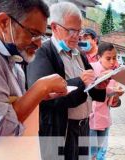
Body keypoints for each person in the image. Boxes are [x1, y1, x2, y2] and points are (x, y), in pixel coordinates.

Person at [26, 2, 108, 160]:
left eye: (79, 31)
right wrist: (80, 82)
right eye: (71, 30)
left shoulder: (79, 55)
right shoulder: (43, 53)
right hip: (60, 129)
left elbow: (88, 86)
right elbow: (44, 97)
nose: (77, 36)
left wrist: (98, 86)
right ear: (55, 27)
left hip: (83, 126)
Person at [0, 0, 68, 136]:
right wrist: (41, 87)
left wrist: (39, 95)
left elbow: (14, 106)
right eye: (33, 34)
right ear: (4, 22)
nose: (38, 44)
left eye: (41, 36)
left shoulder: (12, 57)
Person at [89, 43, 125, 160]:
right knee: (90, 151)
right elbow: (89, 92)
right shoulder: (91, 69)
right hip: (91, 119)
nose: (112, 62)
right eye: (108, 58)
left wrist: (116, 96)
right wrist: (110, 91)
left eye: (114, 58)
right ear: (99, 57)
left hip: (104, 117)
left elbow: (111, 101)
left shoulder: (114, 74)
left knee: (101, 151)